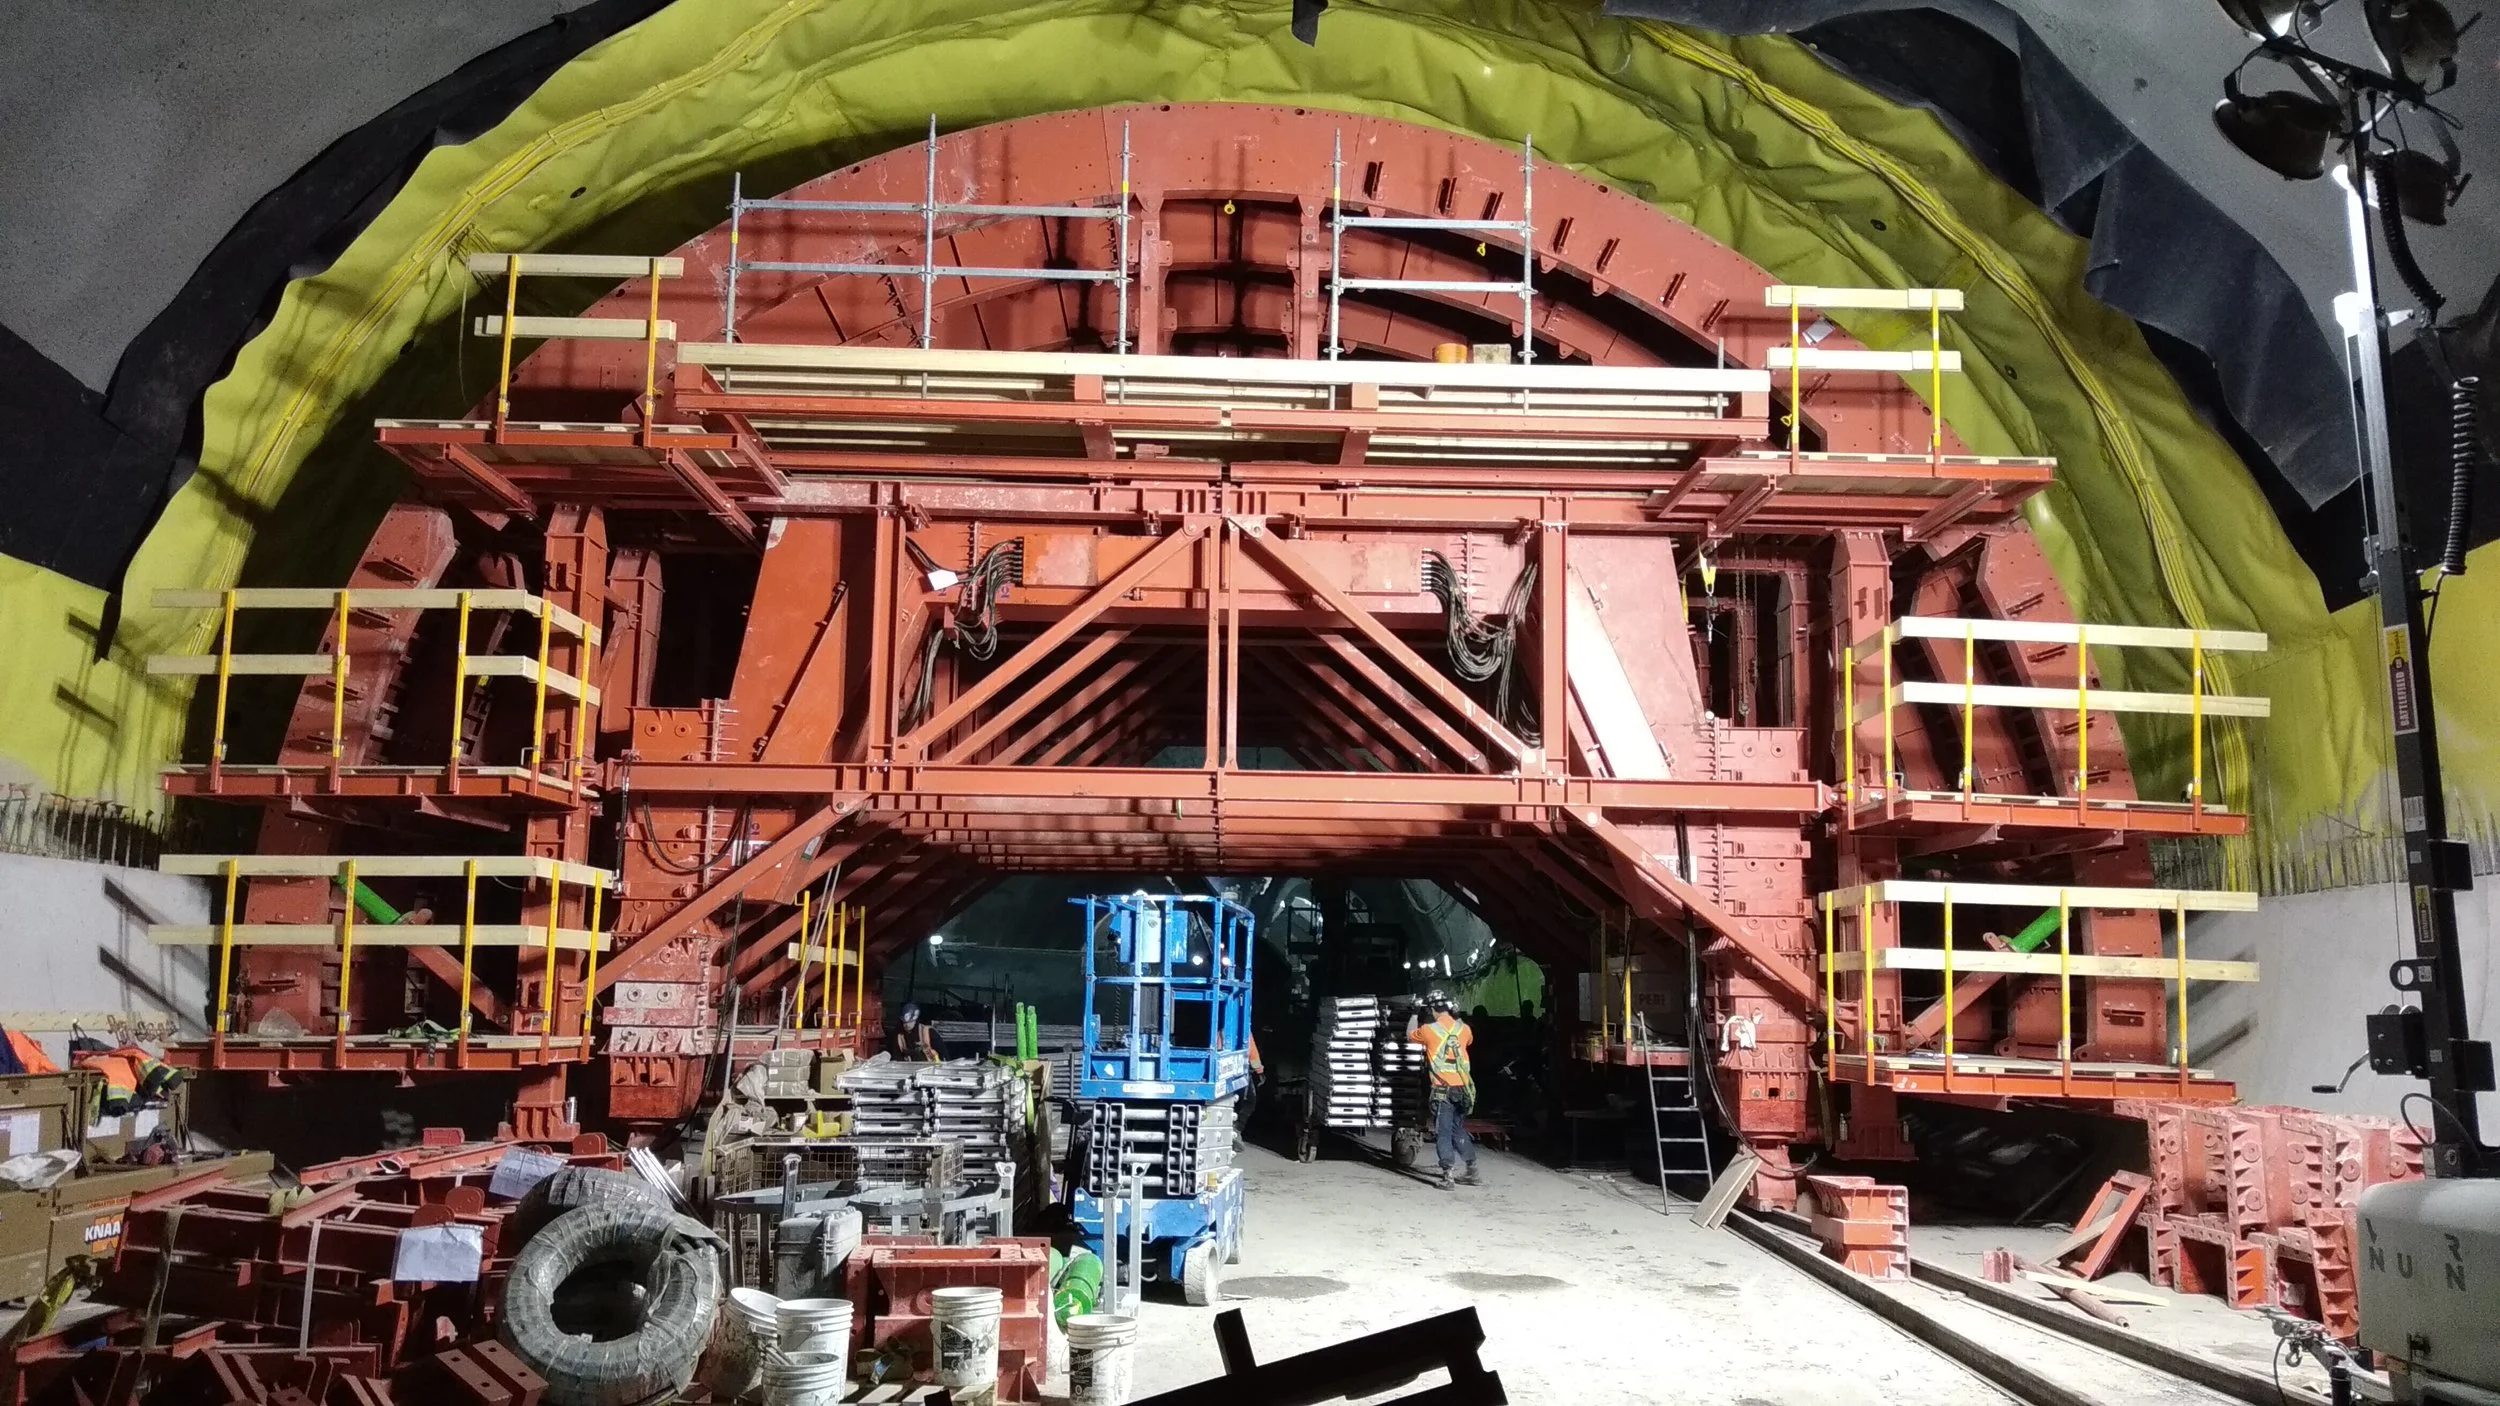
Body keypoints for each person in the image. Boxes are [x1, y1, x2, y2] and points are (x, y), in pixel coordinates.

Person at [1406, 992, 1478, 1189]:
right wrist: (1457, 1015)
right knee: (1458, 1129)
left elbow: (1410, 1036)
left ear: (1431, 1010)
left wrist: (1413, 1014)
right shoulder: (1464, 1029)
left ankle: (1448, 1176)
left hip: (1442, 1089)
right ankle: (1472, 1169)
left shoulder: (1429, 1030)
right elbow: (1468, 1040)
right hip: (1463, 1089)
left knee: (1443, 1132)